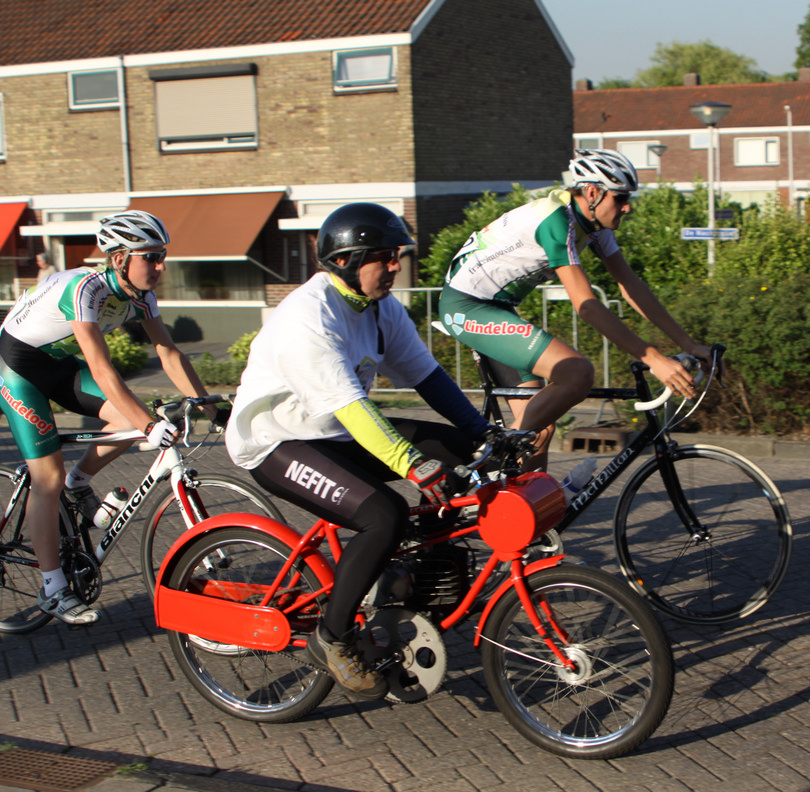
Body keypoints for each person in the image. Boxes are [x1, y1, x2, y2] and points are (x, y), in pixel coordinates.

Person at [225, 202, 491, 700]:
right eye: (384, 257)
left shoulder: (380, 308)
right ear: (346, 260)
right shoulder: (307, 317)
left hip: (335, 432)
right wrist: (413, 465)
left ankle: (418, 578)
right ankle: (332, 636)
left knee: (459, 449)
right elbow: (353, 409)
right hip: (277, 441)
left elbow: (426, 376)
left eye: (397, 256)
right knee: (383, 515)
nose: (395, 266)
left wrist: (483, 433)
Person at [0, 210, 216, 626]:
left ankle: (80, 482)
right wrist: (150, 426)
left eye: (162, 256)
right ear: (119, 259)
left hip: (59, 366)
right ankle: (53, 588)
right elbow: (101, 368)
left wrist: (208, 405)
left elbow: (168, 352)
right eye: (151, 257)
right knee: (48, 477)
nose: (160, 266)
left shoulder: (142, 296)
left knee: (128, 422)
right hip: (19, 370)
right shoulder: (84, 289)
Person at [439, 148, 715, 471]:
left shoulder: (594, 225)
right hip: (466, 307)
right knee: (576, 373)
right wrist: (653, 359)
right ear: (593, 193)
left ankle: (524, 500)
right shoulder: (556, 222)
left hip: (499, 309)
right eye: (621, 198)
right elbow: (586, 306)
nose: (628, 207)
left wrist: (689, 344)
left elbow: (631, 286)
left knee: (539, 431)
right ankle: (486, 462)